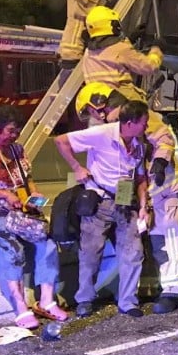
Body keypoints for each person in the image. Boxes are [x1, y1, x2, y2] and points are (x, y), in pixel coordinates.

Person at [75, 83, 178, 313]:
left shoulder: (135, 116)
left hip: (163, 187)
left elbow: (163, 138)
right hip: (142, 190)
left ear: (98, 105)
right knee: (148, 245)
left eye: (91, 113)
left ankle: (173, 290)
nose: (94, 118)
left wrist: (160, 161)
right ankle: (160, 289)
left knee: (166, 239)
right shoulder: (115, 128)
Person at [0, 105, 68, 329]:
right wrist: (3, 194)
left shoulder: (18, 150)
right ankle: (20, 306)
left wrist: (35, 194)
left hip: (21, 212)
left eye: (17, 131)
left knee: (48, 243)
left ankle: (47, 301)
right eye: (11, 130)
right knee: (13, 251)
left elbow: (27, 180)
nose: (14, 135)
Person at [54, 100, 152, 317]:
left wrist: (144, 206)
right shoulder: (102, 134)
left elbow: (141, 178)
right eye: (143, 123)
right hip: (100, 202)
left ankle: (128, 302)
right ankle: (85, 299)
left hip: (127, 204)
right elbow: (61, 141)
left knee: (133, 253)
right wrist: (77, 167)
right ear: (129, 123)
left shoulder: (139, 144)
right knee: (91, 254)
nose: (146, 127)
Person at [82, 5, 164, 103]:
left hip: (100, 104)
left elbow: (111, 55)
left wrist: (130, 39)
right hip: (123, 104)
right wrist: (156, 49)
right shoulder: (121, 49)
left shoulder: (88, 52)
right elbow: (149, 66)